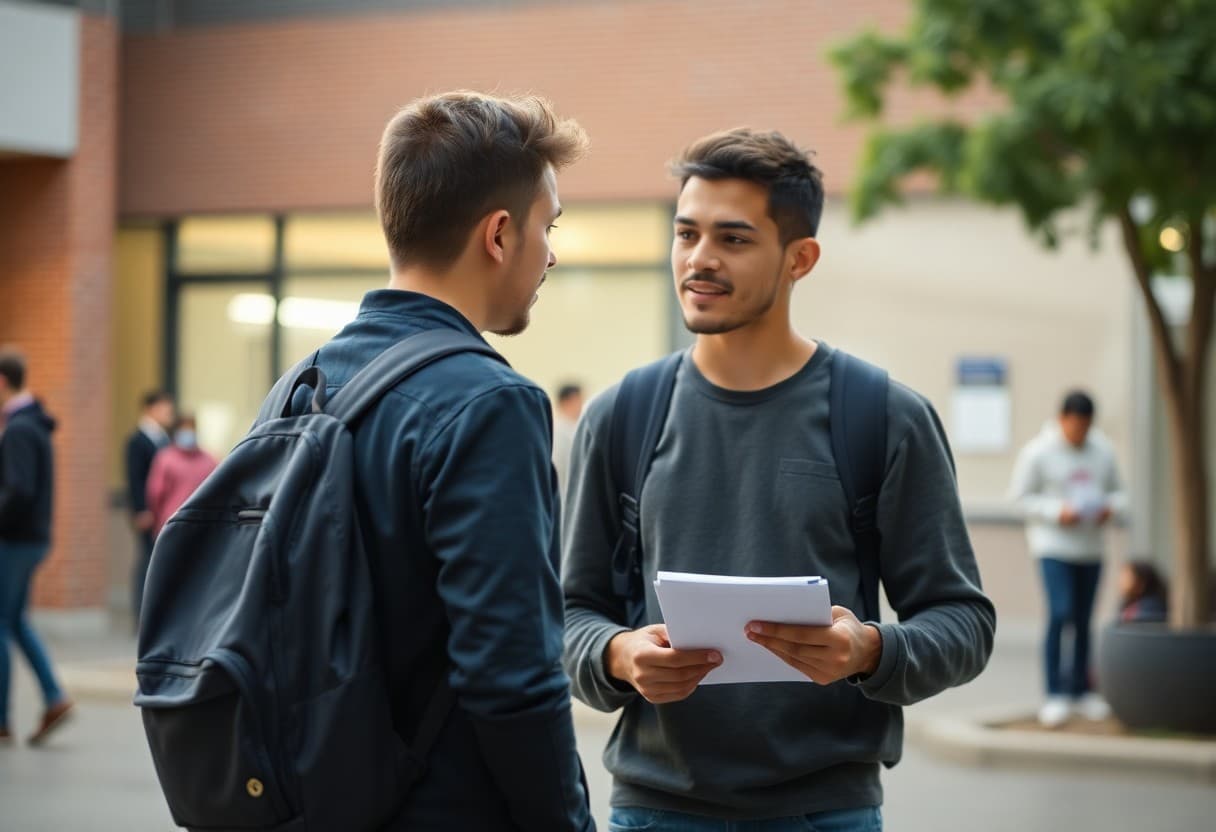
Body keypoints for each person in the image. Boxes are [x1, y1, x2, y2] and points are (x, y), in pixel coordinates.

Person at [562, 128, 995, 831]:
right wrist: (615, 654)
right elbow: (567, 612)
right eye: (686, 234)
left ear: (800, 259)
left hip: (826, 811)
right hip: (655, 809)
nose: (699, 259)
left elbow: (964, 622)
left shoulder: (883, 416)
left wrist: (869, 650)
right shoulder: (621, 416)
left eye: (733, 239)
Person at [258, 92, 592, 829]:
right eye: (548, 225)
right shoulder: (490, 402)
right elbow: (512, 674)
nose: (550, 254)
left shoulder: (300, 384)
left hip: (307, 800)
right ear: (499, 234)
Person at [1009, 390, 1127, 727]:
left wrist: (1110, 508)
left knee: (1084, 618)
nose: (1080, 433)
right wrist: (1056, 511)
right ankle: (1055, 692)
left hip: (1091, 547)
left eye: (1086, 427)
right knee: (1060, 613)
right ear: (1062, 420)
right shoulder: (1038, 451)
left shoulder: (1102, 450)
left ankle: (1080, 689)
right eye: (1075, 426)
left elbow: (1121, 494)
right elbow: (1018, 498)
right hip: (1053, 547)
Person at [0, 347, 73, 747]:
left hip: (15, 540)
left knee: (2, 623)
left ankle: (3, 720)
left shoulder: (18, 429)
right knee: (14, 621)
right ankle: (53, 697)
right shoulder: (31, 424)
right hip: (31, 538)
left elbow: (19, 490)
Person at [125, 390, 174, 628]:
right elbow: (135, 478)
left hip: (165, 511)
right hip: (149, 513)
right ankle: (141, 615)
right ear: (150, 409)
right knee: (147, 560)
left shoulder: (164, 439)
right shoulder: (137, 440)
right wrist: (141, 509)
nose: (169, 414)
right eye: (165, 409)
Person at [145, 414, 217, 537]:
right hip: (174, 524)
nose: (188, 433)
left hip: (199, 526)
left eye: (191, 429)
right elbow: (156, 493)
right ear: (176, 432)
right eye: (184, 429)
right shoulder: (165, 459)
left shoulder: (209, 461)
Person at [551, 381, 585, 500]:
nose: (581, 405)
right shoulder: (559, 430)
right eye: (578, 401)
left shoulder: (573, 427)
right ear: (567, 401)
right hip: (564, 495)